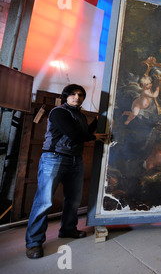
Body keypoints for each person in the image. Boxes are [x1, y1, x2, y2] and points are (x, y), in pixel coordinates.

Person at [25, 84, 108, 259]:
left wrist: (103, 116)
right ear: (65, 96)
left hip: (75, 159)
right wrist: (94, 137)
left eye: (80, 95)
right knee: (44, 201)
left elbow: (84, 131)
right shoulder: (59, 112)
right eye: (73, 94)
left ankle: (68, 229)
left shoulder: (80, 115)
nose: (77, 97)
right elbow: (75, 134)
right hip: (54, 158)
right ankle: (34, 243)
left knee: (74, 199)